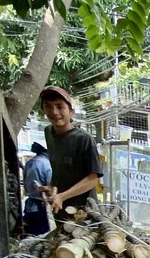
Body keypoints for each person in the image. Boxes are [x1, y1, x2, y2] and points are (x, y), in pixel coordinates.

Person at [39, 86, 103, 217]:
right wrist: (51, 186)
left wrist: (62, 196)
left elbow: (93, 180)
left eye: (59, 107)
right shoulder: (48, 133)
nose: (54, 112)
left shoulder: (83, 139)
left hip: (84, 212)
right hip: (59, 209)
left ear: (71, 111)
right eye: (48, 106)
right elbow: (60, 168)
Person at [21, 142, 52, 236]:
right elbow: (51, 189)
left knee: (32, 236)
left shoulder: (30, 162)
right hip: (42, 208)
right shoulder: (47, 164)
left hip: (30, 206)